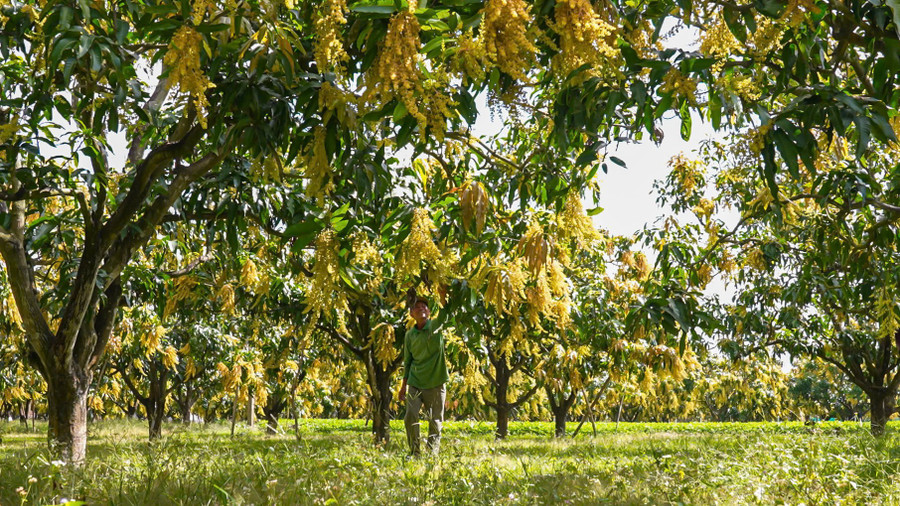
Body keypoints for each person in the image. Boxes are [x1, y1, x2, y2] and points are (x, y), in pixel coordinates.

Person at [398, 297, 449, 456]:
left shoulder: (436, 326)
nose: (421, 308)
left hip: (436, 382)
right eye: (417, 307)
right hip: (415, 382)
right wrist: (403, 386)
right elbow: (408, 361)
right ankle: (415, 452)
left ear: (429, 311)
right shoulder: (409, 335)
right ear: (412, 314)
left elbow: (446, 313)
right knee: (410, 416)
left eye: (424, 306)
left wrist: (443, 294)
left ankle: (432, 453)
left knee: (435, 421)